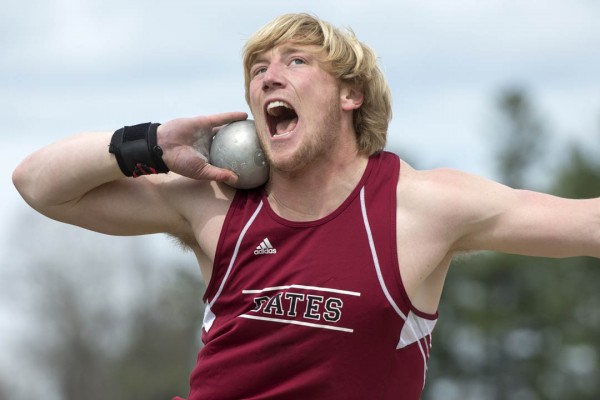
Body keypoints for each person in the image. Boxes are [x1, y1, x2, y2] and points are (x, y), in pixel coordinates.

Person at [12, 12, 600, 400]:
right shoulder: (216, 204)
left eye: (295, 62)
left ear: (351, 94)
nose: (269, 78)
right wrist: (152, 144)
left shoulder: (419, 207)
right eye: (258, 70)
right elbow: (38, 184)